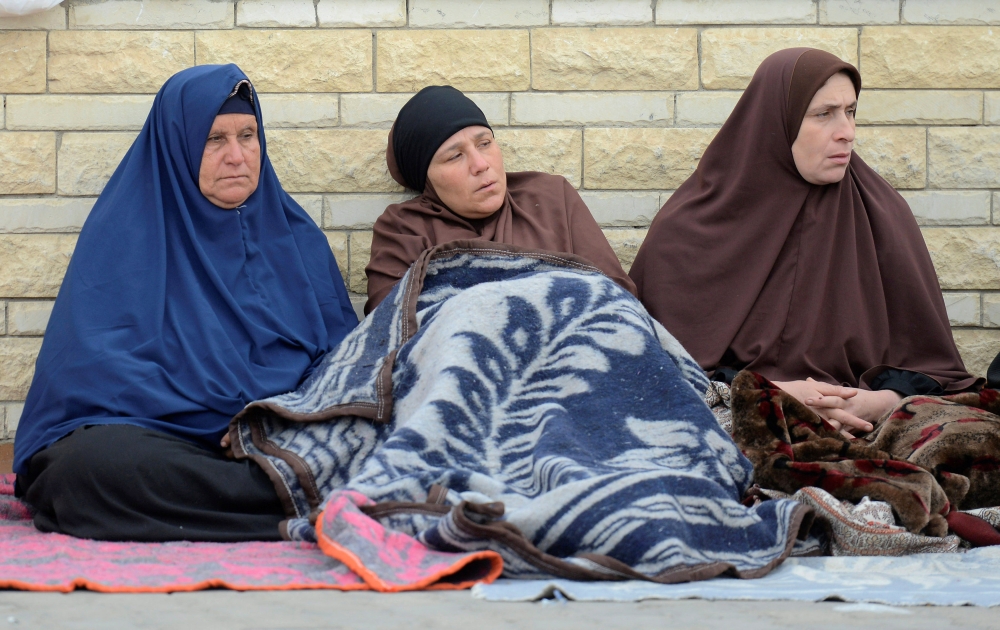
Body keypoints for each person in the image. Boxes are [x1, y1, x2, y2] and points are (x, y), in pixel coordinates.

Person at [12, 64, 358, 542]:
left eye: (248, 135)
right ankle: (300, 505)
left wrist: (267, 421)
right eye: (215, 139)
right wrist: (215, 416)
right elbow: (93, 371)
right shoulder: (126, 233)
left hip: (271, 439)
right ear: (178, 146)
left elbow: (344, 365)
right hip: (160, 438)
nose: (237, 156)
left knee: (364, 440)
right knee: (87, 471)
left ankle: (277, 499)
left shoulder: (297, 239)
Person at [628, 48, 979, 436]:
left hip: (867, 424)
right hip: (738, 420)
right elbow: (651, 374)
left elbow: (934, 368)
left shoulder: (884, 216)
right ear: (777, 123)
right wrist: (770, 395)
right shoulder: (688, 231)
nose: (847, 131)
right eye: (823, 114)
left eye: (851, 112)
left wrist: (876, 402)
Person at [365, 85, 635, 313]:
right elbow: (390, 332)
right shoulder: (403, 230)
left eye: (485, 144)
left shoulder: (552, 197)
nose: (481, 164)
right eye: (455, 156)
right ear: (426, 178)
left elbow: (617, 300)